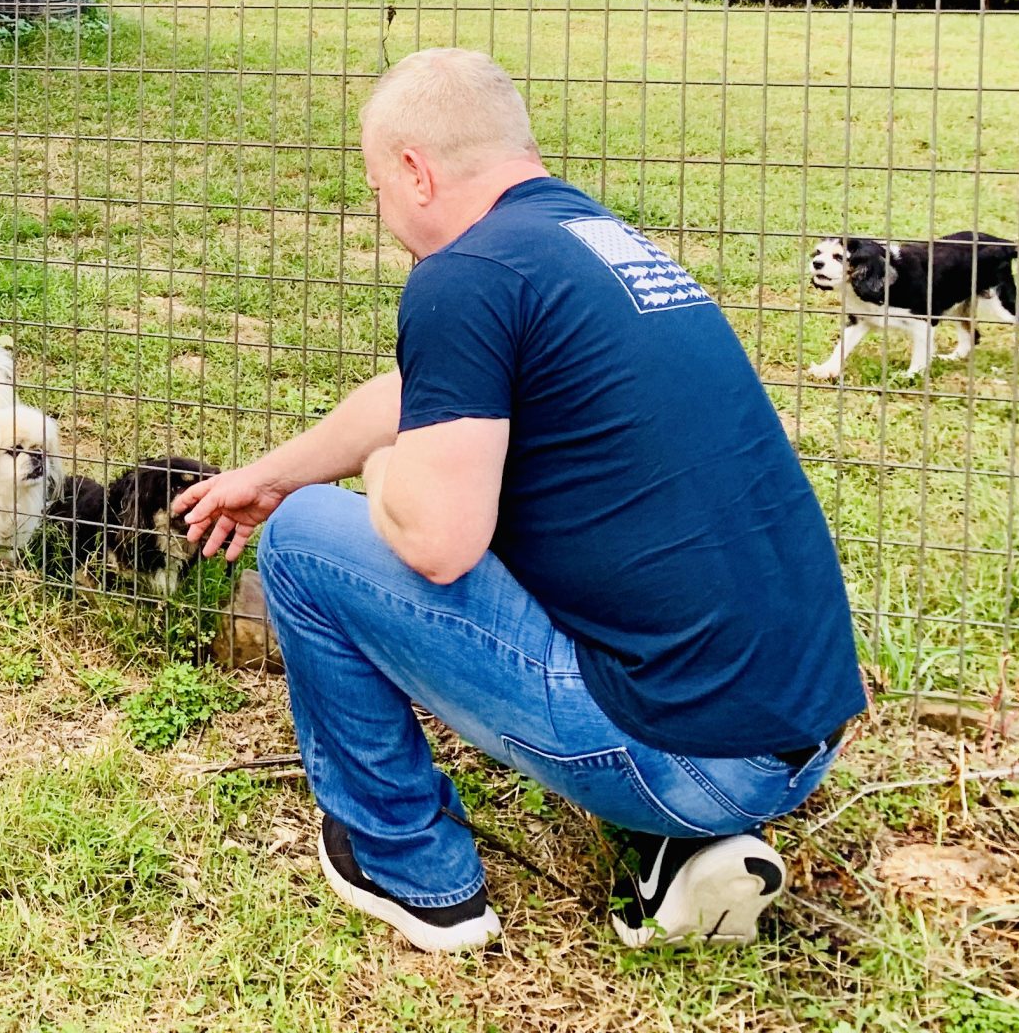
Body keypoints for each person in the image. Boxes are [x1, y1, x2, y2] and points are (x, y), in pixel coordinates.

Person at [175, 49, 865, 954]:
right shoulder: (597, 245)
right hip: (795, 734)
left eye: (378, 187)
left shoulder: (463, 275)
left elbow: (437, 544)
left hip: (687, 753)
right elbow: (413, 391)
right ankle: (680, 859)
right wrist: (270, 474)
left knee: (306, 540)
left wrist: (378, 473)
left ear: (415, 170)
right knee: (318, 500)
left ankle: (413, 873)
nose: (383, 212)